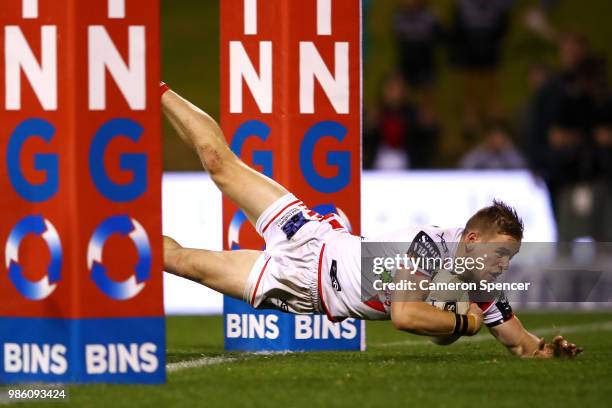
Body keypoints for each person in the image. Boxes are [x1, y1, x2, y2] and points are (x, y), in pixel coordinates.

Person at [160, 82, 582, 358]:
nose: (503, 266)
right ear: (472, 238)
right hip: (312, 234)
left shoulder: (480, 282)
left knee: (184, 263)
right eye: (501, 254)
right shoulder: (429, 247)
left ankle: (113, 236)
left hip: (303, 284)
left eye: (509, 258)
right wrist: (466, 323)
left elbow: (521, 344)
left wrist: (548, 351)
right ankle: (154, 88)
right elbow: (405, 315)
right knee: (221, 163)